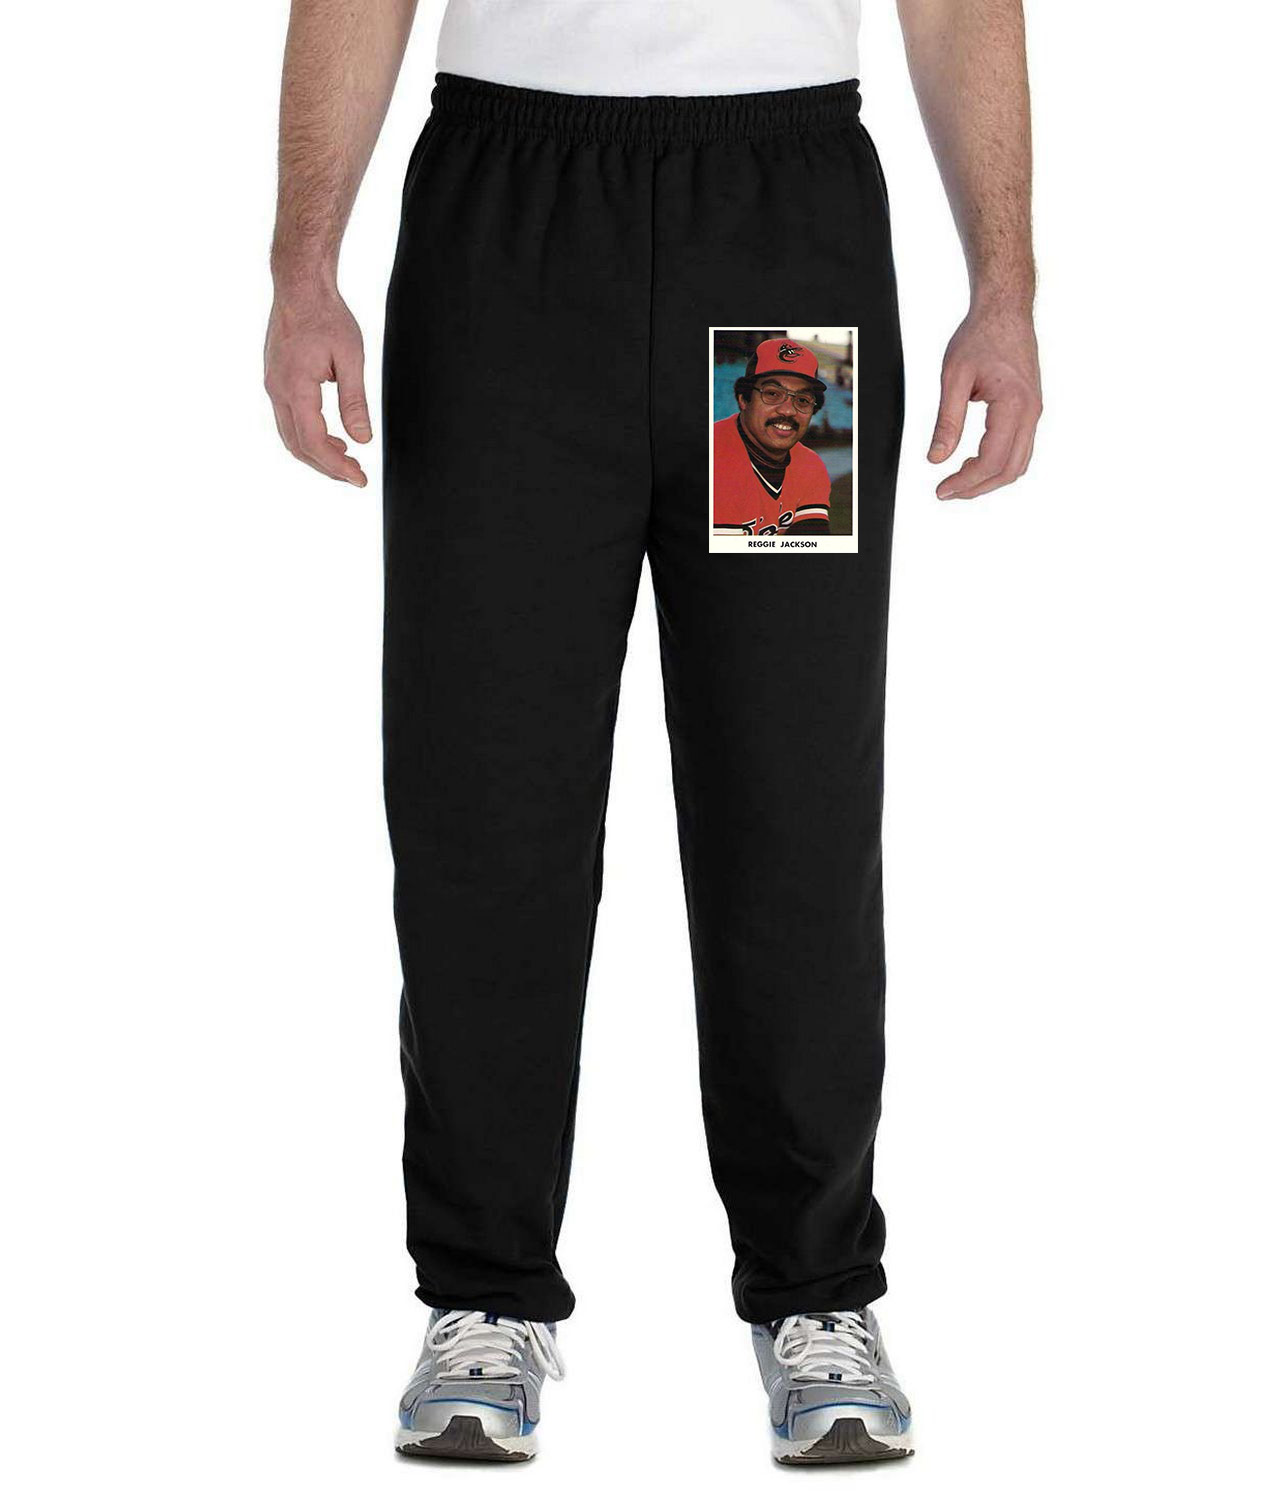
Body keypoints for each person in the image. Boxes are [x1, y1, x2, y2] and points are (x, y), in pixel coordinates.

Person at [264, 0, 1042, 1467]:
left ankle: (816, 1295)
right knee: (484, 787)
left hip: (777, 242)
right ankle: (482, 1296)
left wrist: (1002, 287)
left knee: (789, 788)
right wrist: (303, 266)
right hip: (507, 236)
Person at [714, 337, 833, 537]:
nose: (788, 410)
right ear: (744, 399)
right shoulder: (712, 458)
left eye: (802, 400)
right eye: (772, 394)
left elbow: (812, 549)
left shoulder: (810, 464)